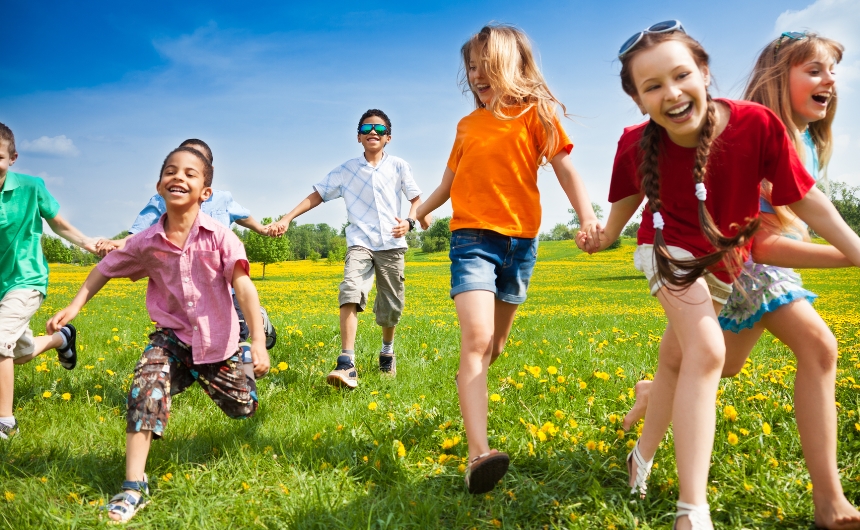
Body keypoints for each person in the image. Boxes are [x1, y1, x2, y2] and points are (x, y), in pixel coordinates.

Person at [584, 22, 860, 530]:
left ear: (705, 72)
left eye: (681, 75)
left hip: (725, 259)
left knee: (678, 360)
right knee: (707, 352)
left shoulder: (756, 125)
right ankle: (692, 511)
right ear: (638, 100)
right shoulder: (633, 144)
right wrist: (603, 236)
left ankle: (640, 458)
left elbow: (805, 199)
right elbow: (625, 202)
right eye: (652, 87)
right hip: (667, 251)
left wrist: (855, 249)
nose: (671, 93)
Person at [414, 24, 599, 495]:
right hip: (472, 239)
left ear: (511, 66)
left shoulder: (538, 116)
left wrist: (587, 217)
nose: (476, 74)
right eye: (471, 67)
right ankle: (480, 454)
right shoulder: (467, 126)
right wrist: (420, 210)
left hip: (521, 243)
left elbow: (565, 168)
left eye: (485, 64)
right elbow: (449, 183)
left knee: (493, 347)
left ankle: (466, 386)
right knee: (475, 339)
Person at [47, 147, 270, 523]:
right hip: (172, 340)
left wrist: (258, 343)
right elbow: (106, 267)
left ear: (206, 192)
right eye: (170, 171)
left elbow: (244, 288)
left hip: (219, 344)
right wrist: (75, 306)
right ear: (159, 186)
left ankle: (246, 359)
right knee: (145, 388)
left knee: (243, 408)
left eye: (190, 173)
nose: (178, 177)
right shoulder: (146, 242)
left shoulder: (220, 238)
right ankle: (134, 486)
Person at [266, 109, 422, 388]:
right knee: (350, 288)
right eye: (365, 128)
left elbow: (417, 199)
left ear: (389, 136)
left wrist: (410, 222)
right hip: (359, 242)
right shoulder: (346, 170)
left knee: (391, 304)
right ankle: (347, 361)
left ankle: (387, 351)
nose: (372, 132)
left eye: (379, 128)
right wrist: (287, 218)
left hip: (392, 244)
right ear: (358, 137)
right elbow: (318, 195)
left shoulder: (399, 166)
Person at [96, 139, 277, 350]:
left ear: (209, 170)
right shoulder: (162, 198)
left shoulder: (222, 198)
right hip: (185, 291)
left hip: (225, 288)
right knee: (187, 343)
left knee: (235, 340)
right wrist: (116, 243)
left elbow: (242, 216)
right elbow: (138, 234)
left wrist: (263, 229)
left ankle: (254, 324)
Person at [0, 121, 100, 440]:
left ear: (12, 157)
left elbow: (57, 222)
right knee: (18, 352)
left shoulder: (31, 187)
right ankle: (62, 339)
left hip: (25, 279)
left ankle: (5, 423)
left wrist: (89, 243)